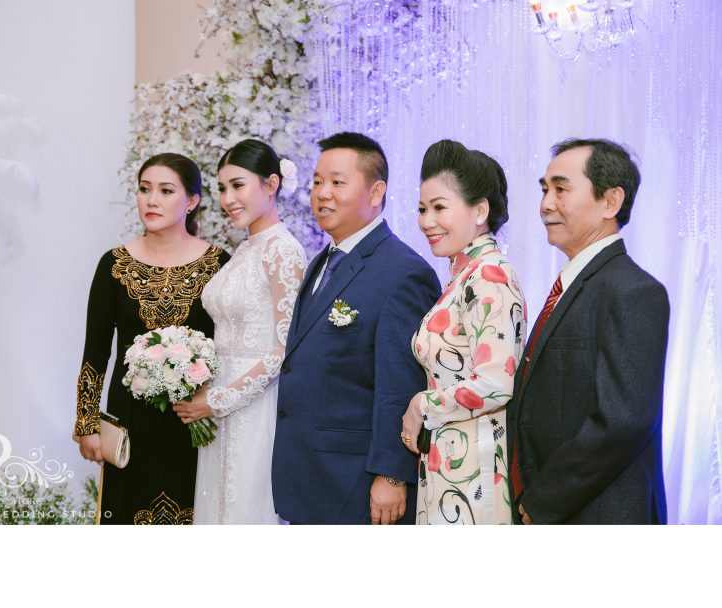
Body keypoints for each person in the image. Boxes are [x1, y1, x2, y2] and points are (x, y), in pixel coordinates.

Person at [271, 132, 440, 523]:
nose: (322, 193)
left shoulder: (403, 272)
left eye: (337, 182)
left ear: (376, 192)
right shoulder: (321, 262)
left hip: (356, 479)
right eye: (317, 182)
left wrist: (392, 473)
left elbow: (401, 382)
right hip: (309, 471)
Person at [506, 138, 670, 523]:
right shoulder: (578, 283)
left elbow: (622, 422)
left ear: (610, 202)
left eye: (561, 189)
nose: (546, 204)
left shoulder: (633, 291)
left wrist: (541, 502)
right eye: (544, 190)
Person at [72, 154, 227, 523]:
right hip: (129, 422)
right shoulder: (113, 265)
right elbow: (95, 353)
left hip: (193, 425)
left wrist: (213, 399)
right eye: (144, 189)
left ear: (192, 201)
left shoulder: (219, 265)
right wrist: (87, 424)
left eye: (166, 191)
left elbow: (229, 349)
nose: (152, 200)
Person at [178, 139, 310, 523]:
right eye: (222, 188)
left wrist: (219, 400)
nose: (228, 198)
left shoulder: (283, 250)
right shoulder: (245, 249)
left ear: (271, 184)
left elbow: (285, 349)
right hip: (217, 402)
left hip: (255, 407)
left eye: (238, 185)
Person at [402, 140, 525, 524]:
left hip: (475, 472)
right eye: (422, 209)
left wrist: (422, 405)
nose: (426, 221)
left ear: (480, 211)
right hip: (451, 464)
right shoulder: (464, 276)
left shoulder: (490, 275)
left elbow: (496, 383)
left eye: (439, 207)